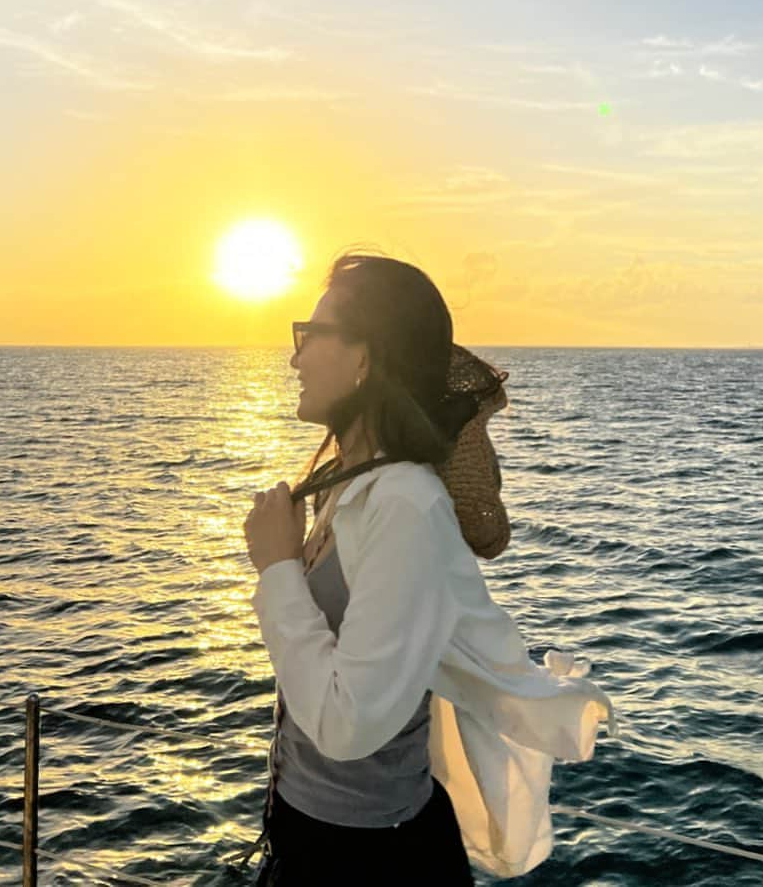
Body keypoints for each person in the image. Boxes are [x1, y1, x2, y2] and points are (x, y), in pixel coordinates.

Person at [244, 250, 616, 884]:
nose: (295, 356)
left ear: (366, 356)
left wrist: (279, 568)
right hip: (313, 837)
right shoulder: (348, 485)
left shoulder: (406, 503)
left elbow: (346, 723)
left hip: (371, 862)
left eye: (310, 336)